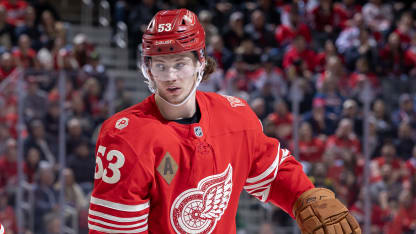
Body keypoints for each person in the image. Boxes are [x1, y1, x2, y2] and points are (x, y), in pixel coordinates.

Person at [88, 9, 361, 234]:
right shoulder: (125, 135)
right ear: (147, 68)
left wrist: (303, 197)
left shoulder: (235, 116)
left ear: (200, 63)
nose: (170, 75)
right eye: (160, 65)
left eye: (180, 63)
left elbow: (272, 172)